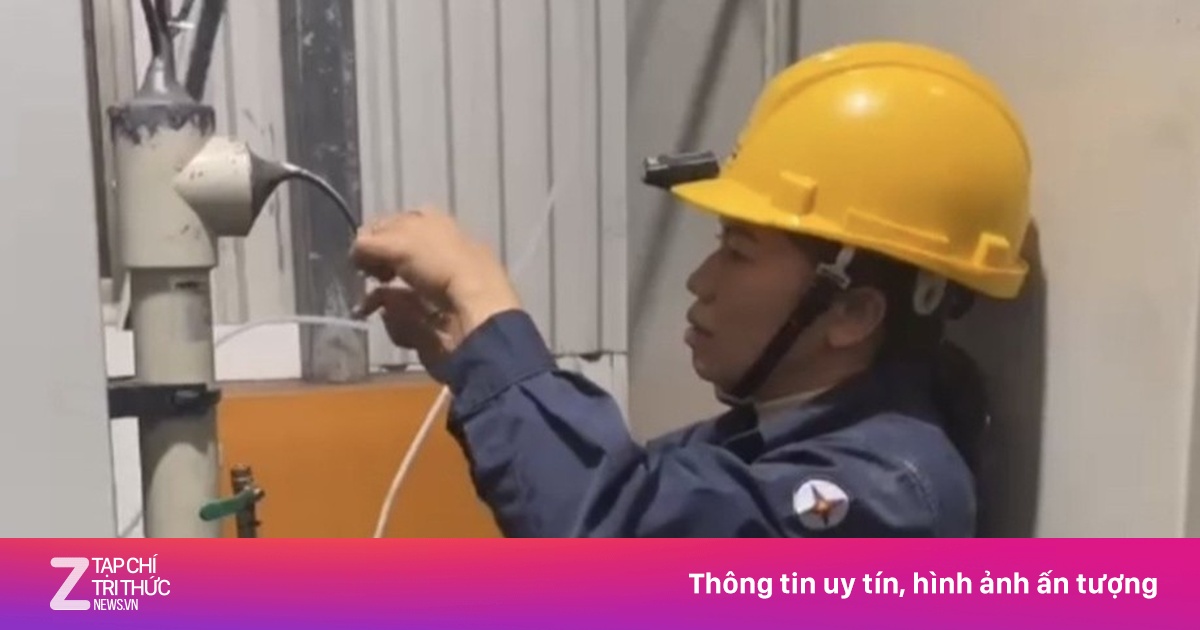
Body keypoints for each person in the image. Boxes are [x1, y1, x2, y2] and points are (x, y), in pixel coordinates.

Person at [351, 41, 1032, 537]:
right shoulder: (785, 432)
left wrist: (481, 298)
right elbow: (623, 496)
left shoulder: (887, 496)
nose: (700, 281)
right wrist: (473, 359)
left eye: (738, 252)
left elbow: (613, 537)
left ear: (851, 312)